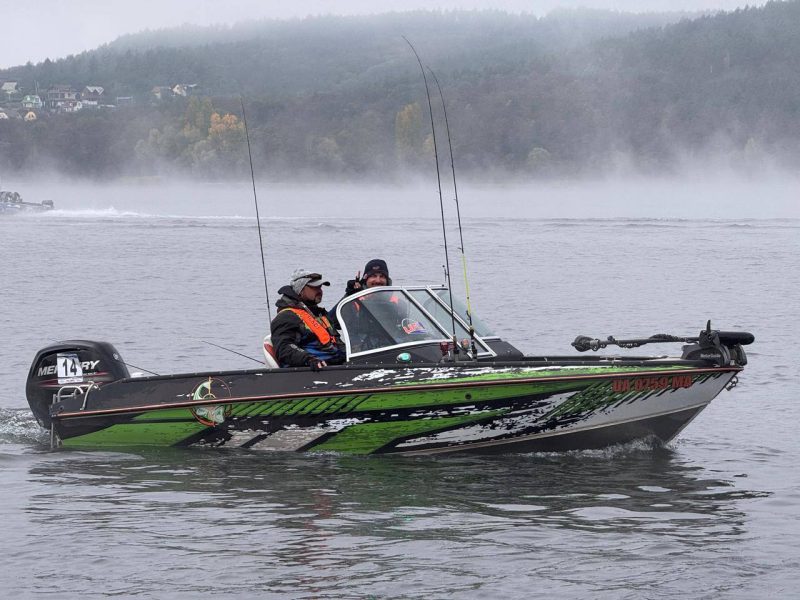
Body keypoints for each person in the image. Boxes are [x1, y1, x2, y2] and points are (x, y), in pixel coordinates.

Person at [270, 269, 346, 370]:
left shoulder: (317, 313)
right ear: (300, 289)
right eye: (315, 287)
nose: (320, 291)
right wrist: (309, 359)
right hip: (315, 371)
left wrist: (350, 293)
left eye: (320, 287)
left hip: (338, 364)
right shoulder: (286, 317)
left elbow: (338, 320)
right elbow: (284, 348)